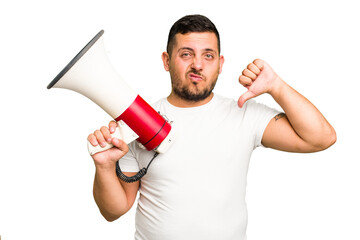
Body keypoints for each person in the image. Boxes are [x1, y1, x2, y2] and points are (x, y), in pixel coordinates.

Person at [87, 14, 336, 240]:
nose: (198, 64)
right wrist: (105, 166)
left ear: (220, 62)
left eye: (208, 55)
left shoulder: (244, 114)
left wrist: (277, 87)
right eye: (186, 54)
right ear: (166, 60)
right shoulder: (139, 122)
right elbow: (114, 210)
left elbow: (321, 138)